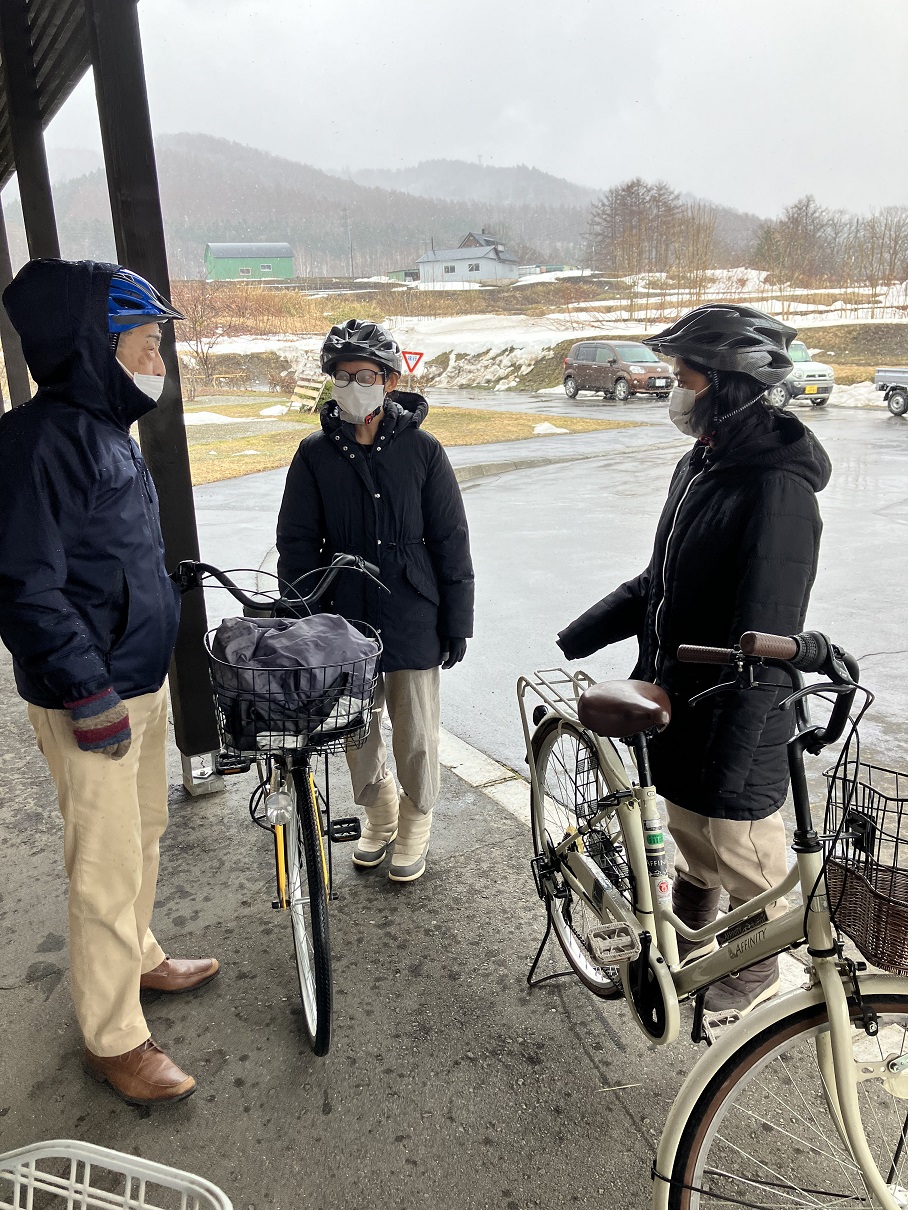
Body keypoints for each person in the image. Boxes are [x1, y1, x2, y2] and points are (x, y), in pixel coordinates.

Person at [557, 304, 831, 1015]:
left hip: (736, 708)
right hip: (680, 691)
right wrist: (582, 633)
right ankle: (690, 935)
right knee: (688, 828)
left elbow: (766, 637)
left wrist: (740, 751)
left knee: (744, 849)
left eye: (683, 375)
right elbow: (661, 580)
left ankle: (756, 969)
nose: (673, 387)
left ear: (725, 383)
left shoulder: (776, 488)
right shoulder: (702, 461)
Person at [0, 259, 218, 1106]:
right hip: (88, 697)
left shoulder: (103, 429)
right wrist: (89, 696)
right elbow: (24, 585)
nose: (158, 356)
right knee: (101, 865)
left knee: (145, 836)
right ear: (98, 345)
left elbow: (106, 563)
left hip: (137, 681)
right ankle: (113, 1038)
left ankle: (141, 953)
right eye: (148, 341)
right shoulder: (36, 443)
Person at [276, 319, 474, 882]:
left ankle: (415, 822)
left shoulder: (423, 450)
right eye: (342, 376)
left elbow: (451, 538)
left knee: (415, 729)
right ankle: (380, 809)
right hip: (342, 611)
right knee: (354, 725)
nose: (353, 385)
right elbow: (295, 542)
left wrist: (458, 618)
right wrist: (299, 621)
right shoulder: (314, 454)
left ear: (389, 381)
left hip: (414, 606)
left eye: (365, 375)